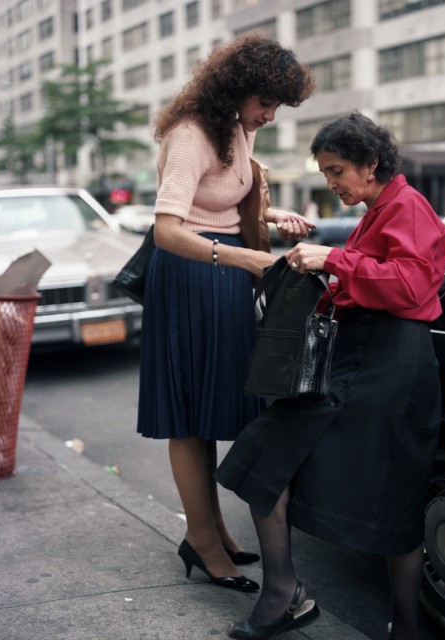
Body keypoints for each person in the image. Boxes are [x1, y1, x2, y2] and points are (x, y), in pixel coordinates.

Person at [216, 110, 445, 639]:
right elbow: (377, 281)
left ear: (370, 165)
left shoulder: (407, 205)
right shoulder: (379, 209)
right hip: (359, 360)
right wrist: (328, 268)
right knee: (265, 459)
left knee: (397, 500)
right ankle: (283, 593)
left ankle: (405, 628)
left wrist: (336, 260)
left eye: (337, 171)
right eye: (325, 173)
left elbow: (411, 288)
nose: (331, 183)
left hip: (393, 367)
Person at [136, 35, 314, 594]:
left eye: (277, 105)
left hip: (225, 276)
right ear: (237, 90)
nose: (270, 114)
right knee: (191, 414)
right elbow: (168, 230)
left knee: (214, 408)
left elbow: (223, 197)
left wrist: (270, 212)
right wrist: (239, 255)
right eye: (266, 101)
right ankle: (203, 540)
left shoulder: (239, 128)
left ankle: (211, 528)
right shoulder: (191, 133)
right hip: (190, 277)